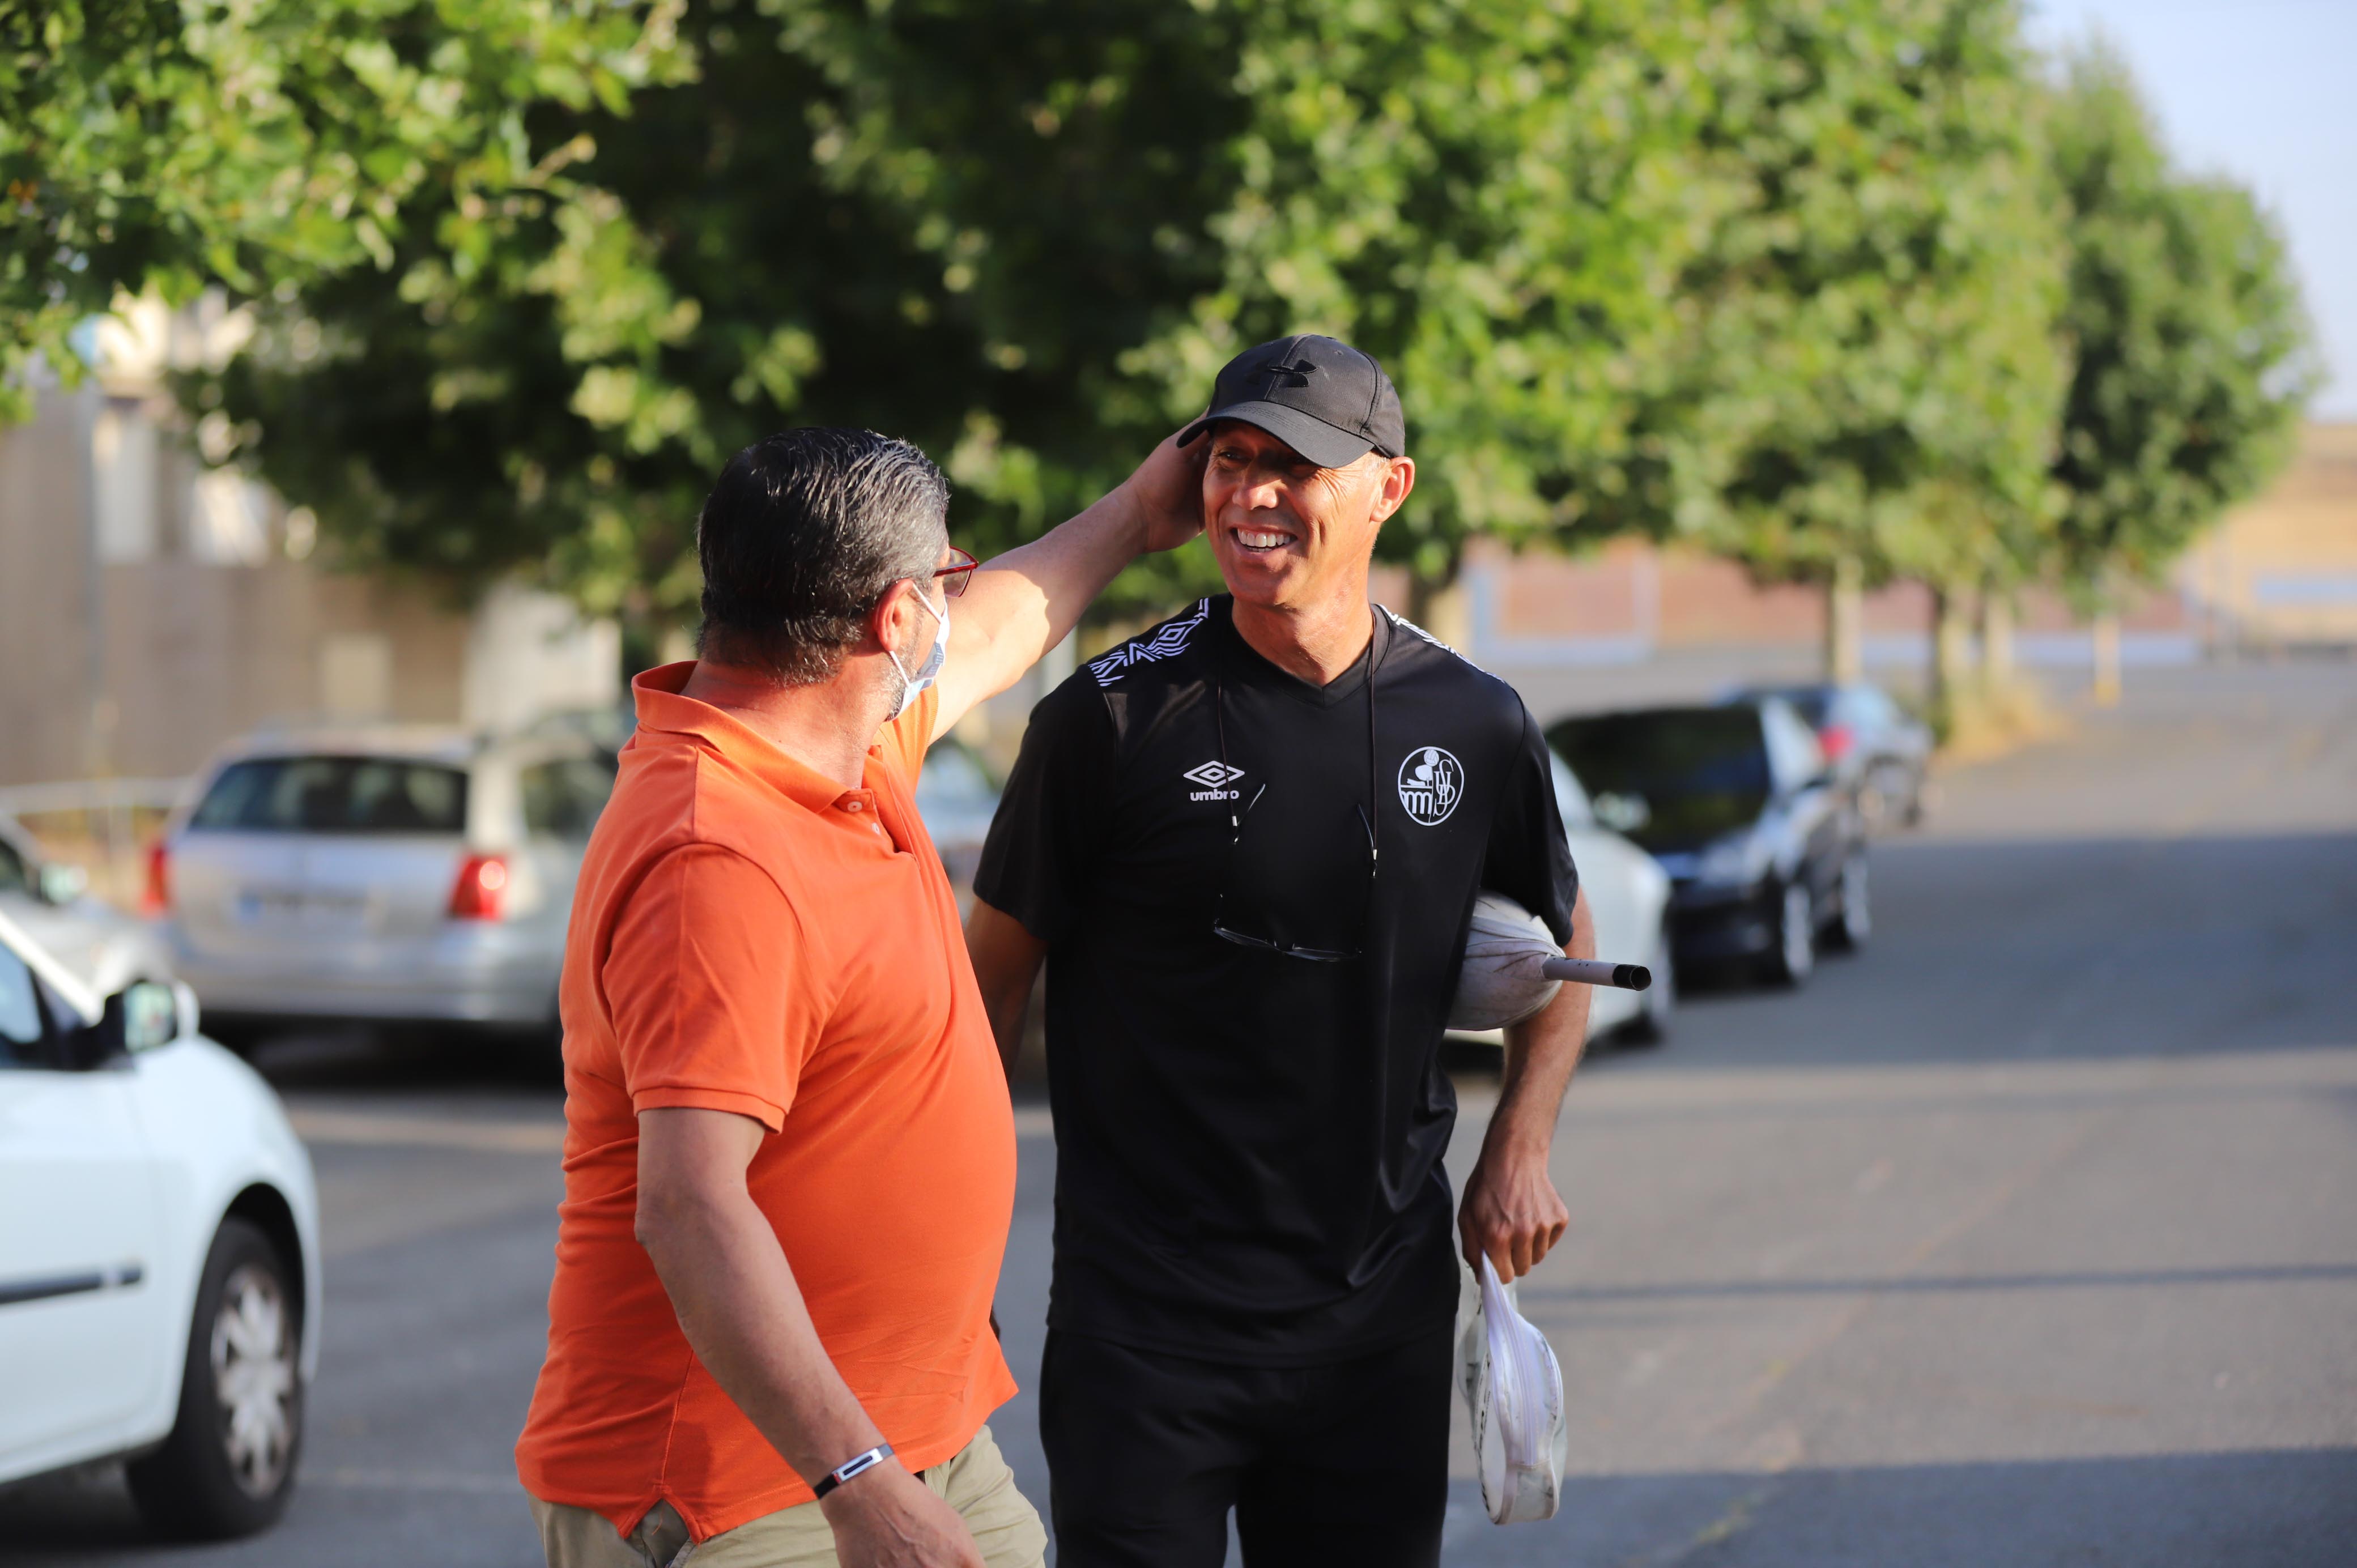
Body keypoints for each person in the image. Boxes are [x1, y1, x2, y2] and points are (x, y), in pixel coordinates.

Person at [516, 425, 1203, 1568]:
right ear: (892, 620)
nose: (960, 591)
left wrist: (1138, 510)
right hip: (752, 1488)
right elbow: (690, 1207)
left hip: (913, 1436)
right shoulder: (718, 857)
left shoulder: (842, 740)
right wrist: (860, 1481)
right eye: (944, 574)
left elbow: (1002, 623)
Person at [965, 335, 1597, 1568]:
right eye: (1226, 460)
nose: (1250, 496)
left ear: (1386, 488)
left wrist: (1517, 1146)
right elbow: (981, 992)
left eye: (1293, 467)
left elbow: (1564, 939)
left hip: (1377, 1320)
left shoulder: (1473, 720)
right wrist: (948, 1252)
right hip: (1144, 1330)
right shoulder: (1107, 720)